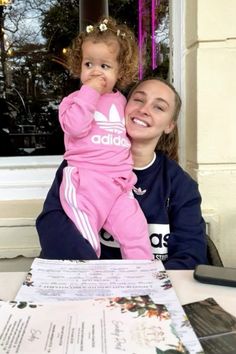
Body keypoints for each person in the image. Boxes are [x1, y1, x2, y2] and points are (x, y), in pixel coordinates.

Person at [36, 77, 208, 270]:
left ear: (170, 125)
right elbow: (52, 229)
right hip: (90, 287)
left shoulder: (180, 185)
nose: (144, 110)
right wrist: (98, 282)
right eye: (138, 100)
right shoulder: (82, 165)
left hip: (148, 293)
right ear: (122, 106)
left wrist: (150, 285)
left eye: (159, 107)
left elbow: (191, 254)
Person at [56, 17, 152, 260]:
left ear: (121, 71)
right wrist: (90, 92)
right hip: (86, 182)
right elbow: (75, 127)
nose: (95, 71)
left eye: (105, 66)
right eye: (89, 64)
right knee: (83, 239)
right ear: (79, 66)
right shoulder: (74, 101)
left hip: (119, 184)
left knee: (136, 233)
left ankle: (142, 280)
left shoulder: (123, 102)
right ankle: (86, 287)